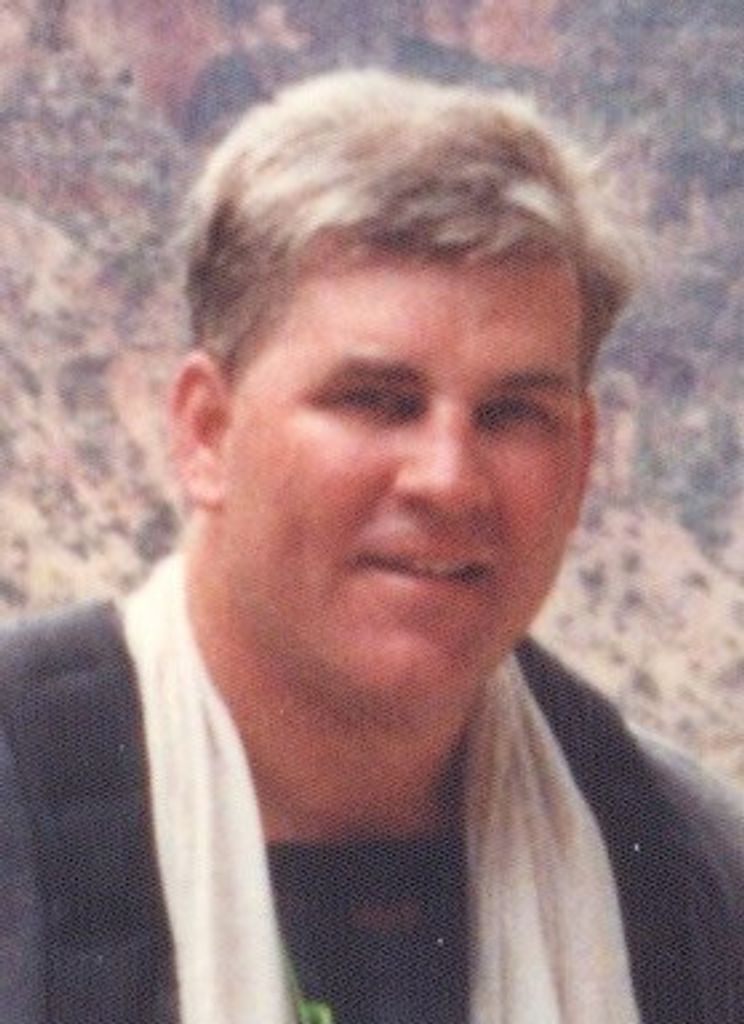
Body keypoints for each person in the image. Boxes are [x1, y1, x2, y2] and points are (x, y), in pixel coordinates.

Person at [0, 69, 742, 1024]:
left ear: (583, 459)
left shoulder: (682, 874)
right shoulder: (26, 823)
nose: (448, 479)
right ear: (205, 432)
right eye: (377, 402)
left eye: (512, 414)